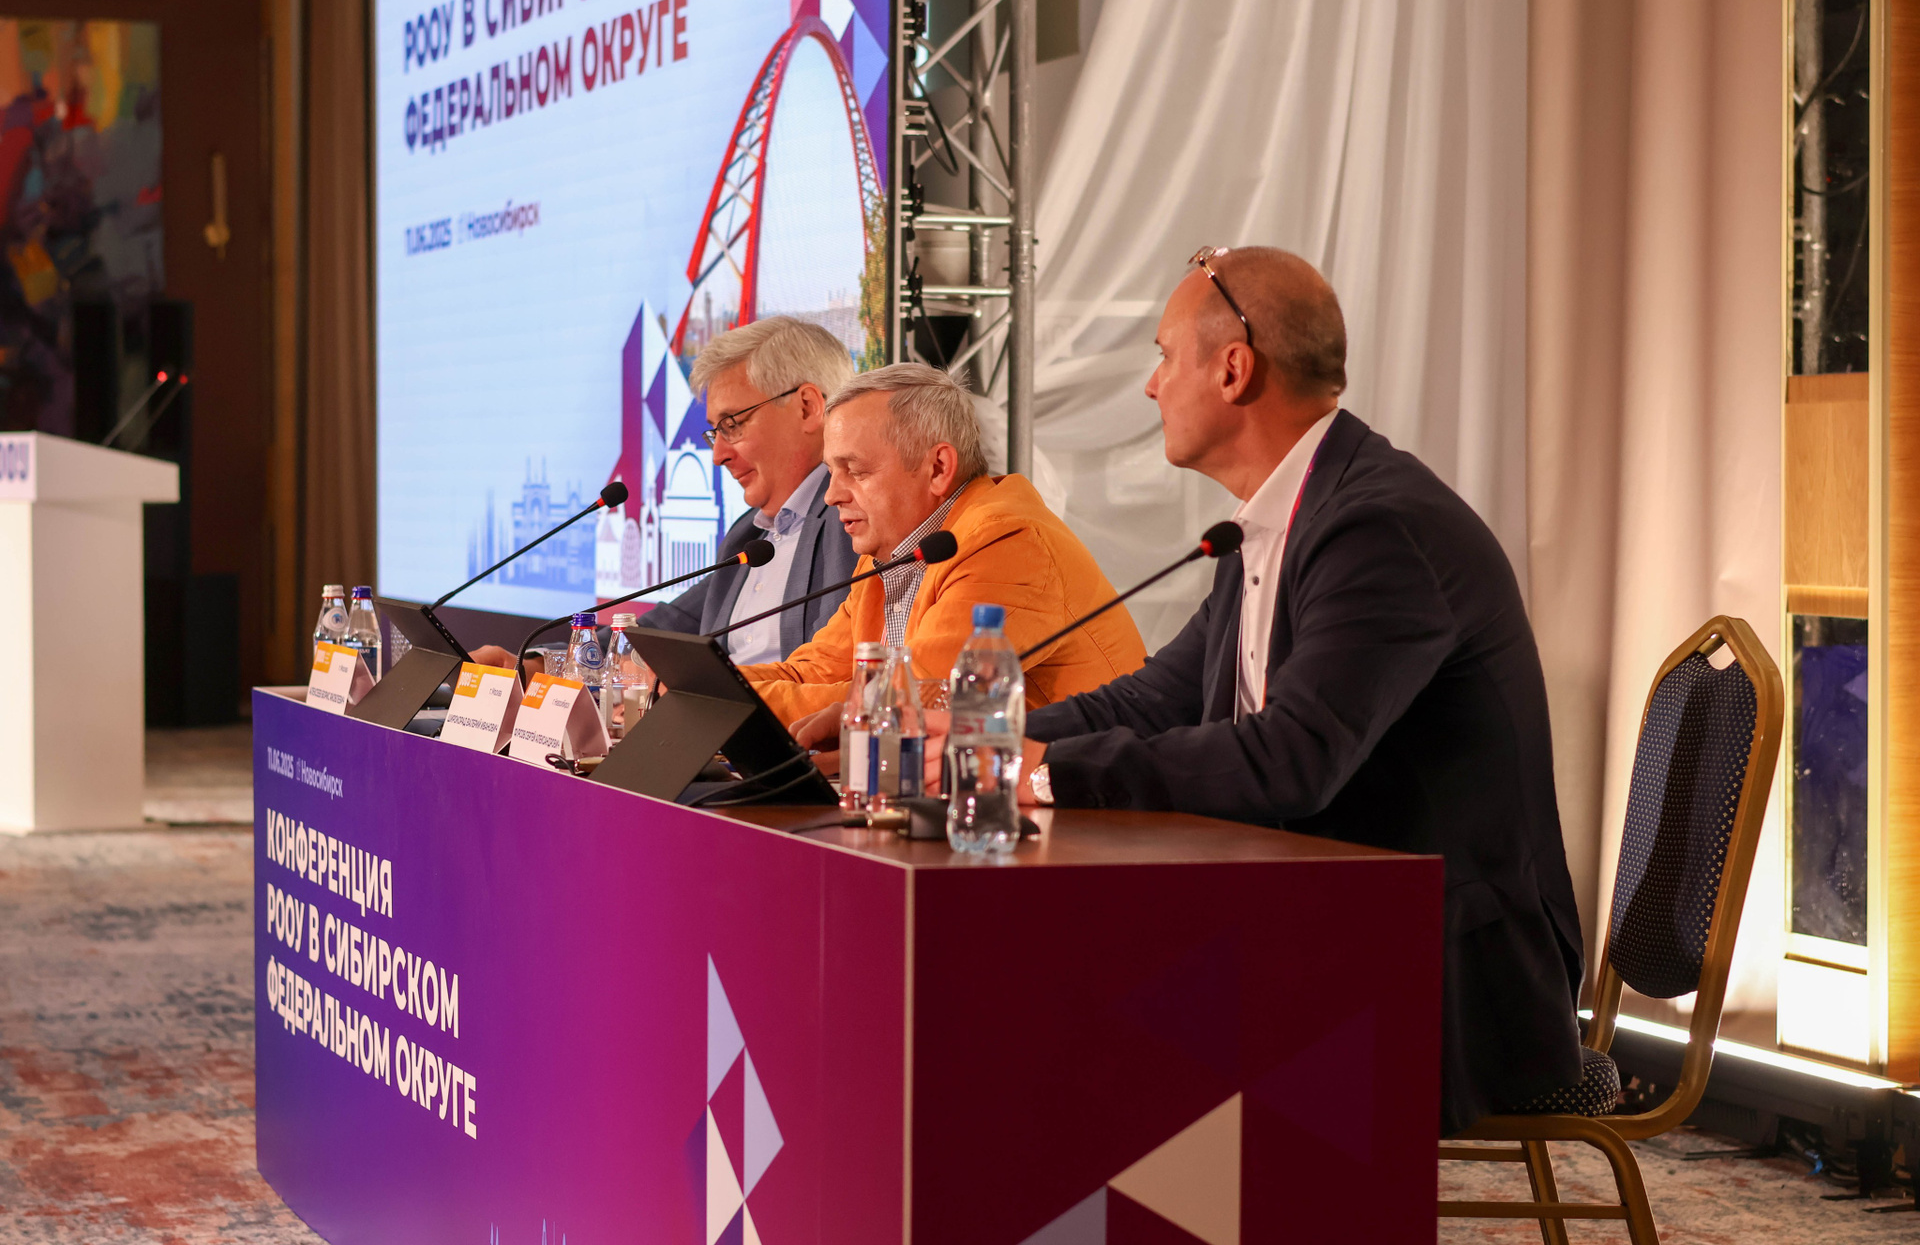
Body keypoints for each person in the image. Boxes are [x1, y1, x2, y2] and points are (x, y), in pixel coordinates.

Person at [970, 246, 1584, 1135]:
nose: (1150, 386)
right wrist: (979, 738)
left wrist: (1040, 774)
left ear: (1233, 369)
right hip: (1331, 927)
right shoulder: (1278, 518)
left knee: (1081, 1019)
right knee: (1063, 994)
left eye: (1163, 356)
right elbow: (1152, 699)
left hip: (1450, 973)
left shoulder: (1377, 526)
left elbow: (1293, 759)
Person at [743, 362, 1148, 727]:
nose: (832, 495)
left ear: (938, 468)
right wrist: (712, 685)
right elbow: (812, 673)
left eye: (856, 470)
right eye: (832, 471)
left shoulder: (1007, 545)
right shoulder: (888, 553)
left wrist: (728, 704)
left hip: (1070, 783)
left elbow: (914, 698)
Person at [472, 315, 859, 672]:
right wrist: (533, 667)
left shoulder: (854, 524)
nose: (719, 455)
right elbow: (658, 635)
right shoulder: (750, 536)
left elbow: (836, 672)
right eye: (715, 433)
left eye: (732, 425)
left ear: (807, 408)